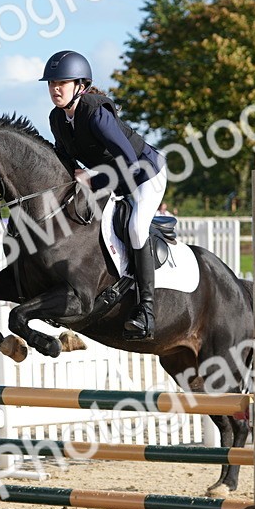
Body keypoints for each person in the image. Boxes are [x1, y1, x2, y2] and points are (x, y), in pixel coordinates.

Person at [40, 50, 167, 341]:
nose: (55, 89)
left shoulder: (96, 114)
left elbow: (129, 162)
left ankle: (146, 310)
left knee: (136, 228)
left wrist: (92, 178)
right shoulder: (57, 118)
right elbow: (64, 157)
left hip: (145, 174)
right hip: (113, 178)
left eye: (62, 83)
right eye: (51, 83)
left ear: (80, 85)